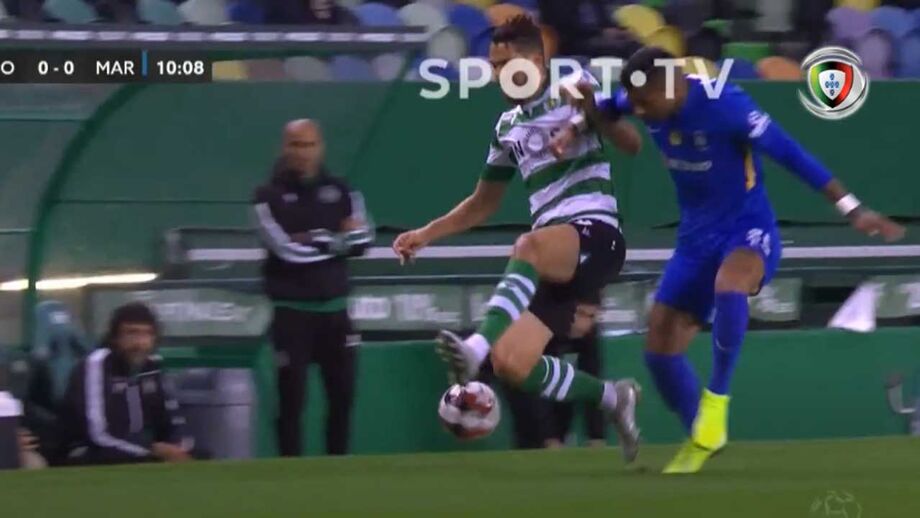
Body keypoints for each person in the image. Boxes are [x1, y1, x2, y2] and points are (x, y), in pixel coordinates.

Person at [556, 46, 906, 473]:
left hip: (747, 230)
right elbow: (611, 104)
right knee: (659, 352)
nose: (642, 112)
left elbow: (791, 153)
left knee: (730, 284)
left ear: (674, 84)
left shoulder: (727, 105)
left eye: (647, 103)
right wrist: (574, 125)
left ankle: (717, 401)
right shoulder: (647, 95)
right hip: (694, 240)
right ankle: (704, 434)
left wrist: (851, 207)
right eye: (638, 103)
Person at [392, 15, 643, 463]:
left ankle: (474, 349)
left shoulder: (572, 81)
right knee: (513, 365)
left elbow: (630, 144)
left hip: (597, 234)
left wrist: (589, 111)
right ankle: (612, 398)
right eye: (492, 65)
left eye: (505, 64)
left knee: (527, 245)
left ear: (534, 60)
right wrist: (425, 234)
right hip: (556, 254)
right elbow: (482, 203)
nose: (498, 74)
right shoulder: (507, 126)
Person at [252, 119, 372, 456]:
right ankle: (289, 476)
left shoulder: (344, 191)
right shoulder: (267, 197)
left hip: (337, 315)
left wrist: (317, 238)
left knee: (342, 400)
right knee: (291, 403)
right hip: (292, 316)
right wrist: (338, 238)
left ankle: (339, 470)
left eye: (309, 145)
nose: (303, 153)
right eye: (295, 145)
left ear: (321, 147)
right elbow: (287, 250)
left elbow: (364, 240)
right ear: (284, 148)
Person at [57, 303, 195, 466]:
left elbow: (174, 419)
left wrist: (178, 448)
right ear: (115, 337)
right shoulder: (96, 365)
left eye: (147, 334)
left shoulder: (153, 366)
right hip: (89, 449)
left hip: (145, 451)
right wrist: (150, 450)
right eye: (131, 333)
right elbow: (97, 434)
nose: (139, 343)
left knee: (201, 455)